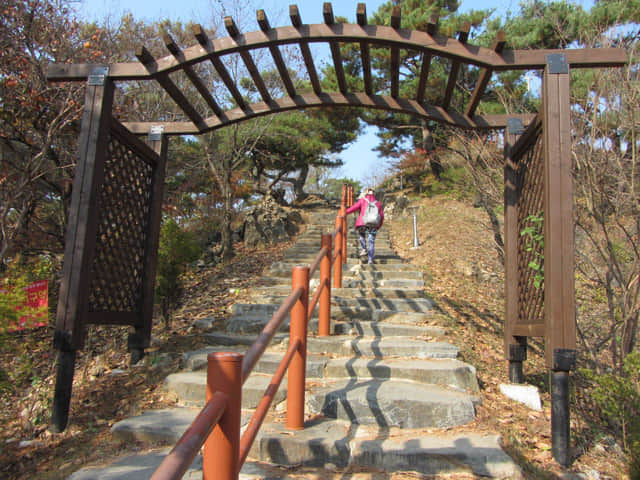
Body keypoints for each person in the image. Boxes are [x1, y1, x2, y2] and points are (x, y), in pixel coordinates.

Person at [346, 187, 384, 264]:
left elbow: (354, 208)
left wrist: (345, 212)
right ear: (374, 194)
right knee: (371, 242)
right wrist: (378, 226)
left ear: (366, 193)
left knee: (361, 236)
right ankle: (370, 260)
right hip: (373, 224)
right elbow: (381, 216)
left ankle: (364, 249)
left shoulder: (362, 200)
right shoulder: (378, 203)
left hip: (362, 223)